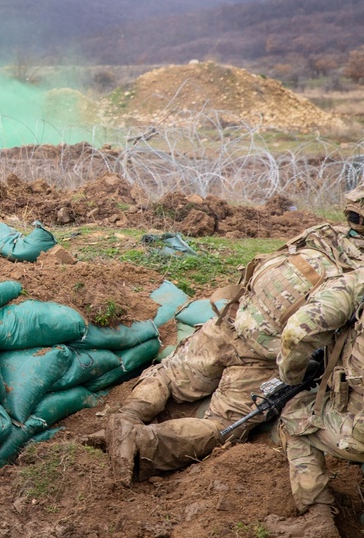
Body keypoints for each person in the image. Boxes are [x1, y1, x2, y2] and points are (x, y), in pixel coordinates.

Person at [105, 192, 364, 489]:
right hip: (263, 358)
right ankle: (142, 444)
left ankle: (126, 417)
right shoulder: (357, 275)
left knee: (168, 375)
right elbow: (298, 333)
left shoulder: (320, 234)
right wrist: (293, 375)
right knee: (222, 427)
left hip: (230, 321)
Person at [264, 267, 364, 538]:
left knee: (295, 417)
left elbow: (297, 332)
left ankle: (316, 521)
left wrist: (292, 376)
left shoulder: (357, 282)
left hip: (358, 429)